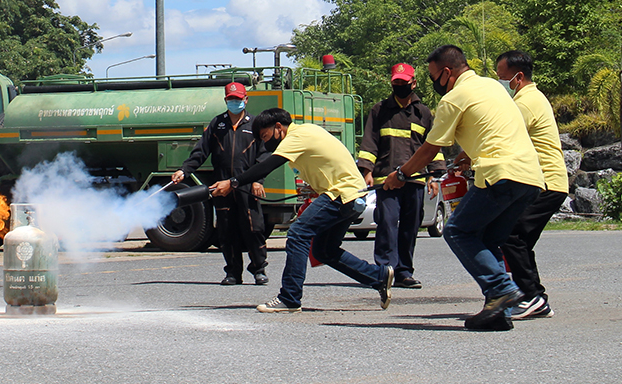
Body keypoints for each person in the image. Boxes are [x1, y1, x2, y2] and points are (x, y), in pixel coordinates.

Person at [384, 45, 545, 331]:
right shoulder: (493, 87)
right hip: (531, 176)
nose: (434, 82)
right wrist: (468, 156)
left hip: (500, 174)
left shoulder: (455, 98)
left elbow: (430, 147)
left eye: (434, 75)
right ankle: (497, 312)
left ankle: (501, 288)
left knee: (458, 231)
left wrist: (400, 174)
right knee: (487, 238)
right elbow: (497, 129)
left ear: (446, 72)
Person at [210, 108, 393, 313]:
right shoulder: (304, 134)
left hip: (342, 193)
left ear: (278, 127)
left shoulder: (296, 135)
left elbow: (268, 166)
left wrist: (233, 182)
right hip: (350, 194)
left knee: (298, 234)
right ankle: (379, 277)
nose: (264, 142)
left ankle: (289, 298)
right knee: (325, 251)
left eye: (265, 136)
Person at [358, 63, 445, 289]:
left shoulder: (423, 113)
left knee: (410, 226)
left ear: (413, 83)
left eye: (403, 83)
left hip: (415, 180)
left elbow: (433, 146)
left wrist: (434, 177)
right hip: (386, 179)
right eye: (395, 83)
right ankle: (384, 270)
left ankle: (404, 272)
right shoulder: (379, 110)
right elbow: (370, 142)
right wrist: (367, 171)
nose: (399, 86)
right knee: (386, 223)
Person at [495, 50, 568, 319]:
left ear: (519, 77)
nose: (501, 81)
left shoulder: (526, 103)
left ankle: (531, 297)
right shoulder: (531, 98)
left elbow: (504, 136)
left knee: (511, 235)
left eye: (503, 77)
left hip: (546, 181)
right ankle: (533, 297)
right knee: (520, 240)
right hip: (547, 182)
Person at [172, 81, 269, 286]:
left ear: (246, 99)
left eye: (238, 99)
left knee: (254, 228)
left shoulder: (255, 125)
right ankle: (233, 272)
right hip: (223, 187)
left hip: (247, 186)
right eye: (231, 99)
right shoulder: (217, 124)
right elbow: (200, 151)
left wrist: (258, 181)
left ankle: (258, 269)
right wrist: (184, 170)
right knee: (227, 230)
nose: (235, 102)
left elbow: (264, 155)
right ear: (226, 100)